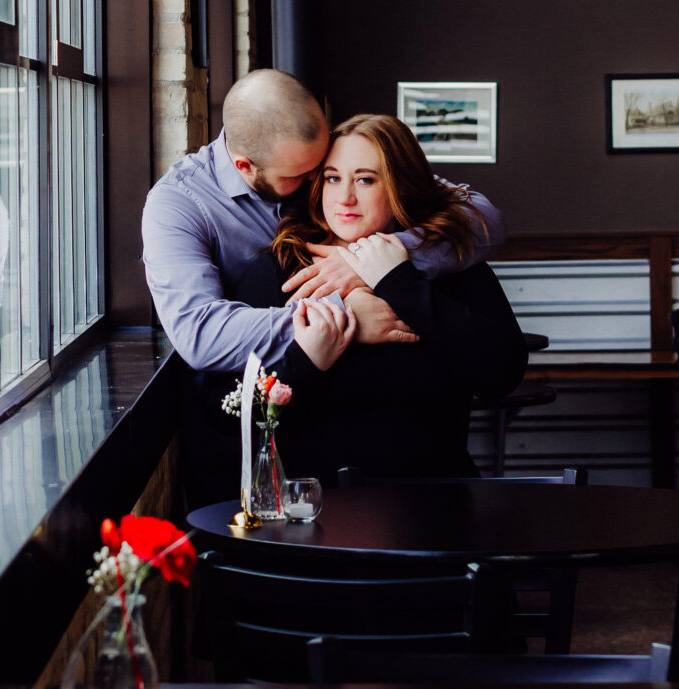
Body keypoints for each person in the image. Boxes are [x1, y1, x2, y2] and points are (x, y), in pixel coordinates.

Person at [142, 70, 505, 503]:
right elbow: (202, 339)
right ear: (245, 166)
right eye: (321, 176)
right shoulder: (187, 209)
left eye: (359, 178)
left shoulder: (322, 154)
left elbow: (483, 216)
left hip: (431, 495)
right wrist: (343, 316)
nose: (332, 190)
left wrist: (381, 265)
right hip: (300, 489)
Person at [207, 112, 528, 484]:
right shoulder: (283, 270)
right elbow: (224, 413)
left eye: (365, 179)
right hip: (315, 512)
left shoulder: (449, 267)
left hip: (435, 509)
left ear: (400, 187)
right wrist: (309, 358)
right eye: (333, 178)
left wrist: (397, 281)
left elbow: (501, 376)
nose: (345, 197)